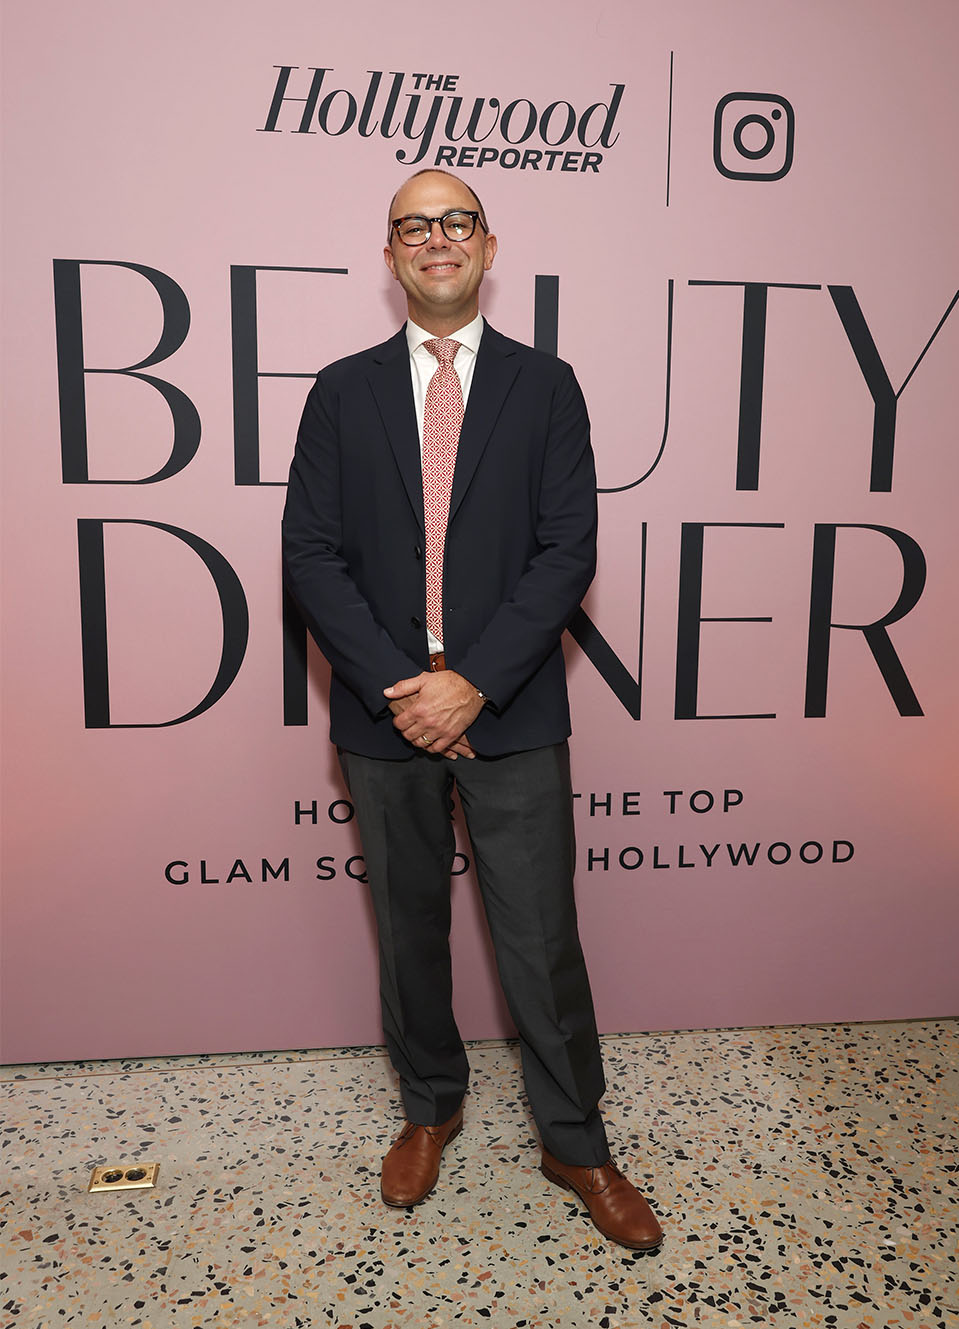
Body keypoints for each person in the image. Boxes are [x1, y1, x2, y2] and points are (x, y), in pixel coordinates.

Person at [282, 169, 662, 1250]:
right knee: (406, 933)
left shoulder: (547, 388)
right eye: (413, 227)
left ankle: (575, 1142)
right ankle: (428, 1109)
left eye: (455, 224)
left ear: (488, 249)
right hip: (382, 709)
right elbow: (309, 551)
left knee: (541, 941)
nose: (434, 240)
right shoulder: (340, 392)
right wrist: (400, 687)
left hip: (510, 702)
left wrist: (473, 681)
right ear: (391, 254)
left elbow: (565, 550)